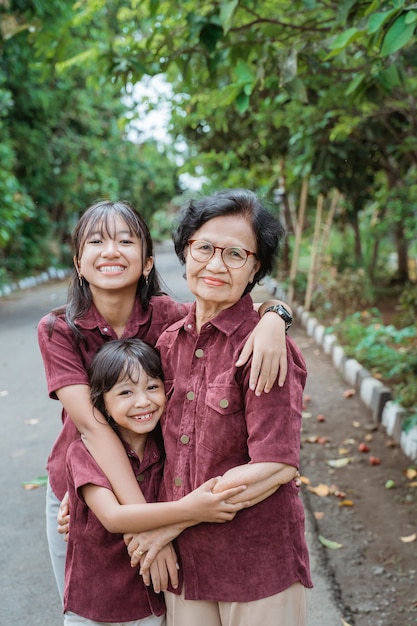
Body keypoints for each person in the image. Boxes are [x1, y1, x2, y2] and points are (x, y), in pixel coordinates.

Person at [37, 199, 293, 601]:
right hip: (87, 492)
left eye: (125, 240)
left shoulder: (168, 317)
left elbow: (225, 305)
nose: (110, 251)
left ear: (148, 262)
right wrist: (142, 521)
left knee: (155, 609)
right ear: (77, 261)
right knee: (90, 605)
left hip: (151, 487)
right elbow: (92, 425)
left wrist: (276, 317)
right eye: (96, 241)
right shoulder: (58, 329)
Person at [128, 189, 313, 626]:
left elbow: (276, 464)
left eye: (235, 254)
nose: (215, 264)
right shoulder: (168, 341)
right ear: (185, 251)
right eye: (205, 247)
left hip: (256, 563)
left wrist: (169, 524)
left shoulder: (266, 347)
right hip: (186, 567)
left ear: (256, 268)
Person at [64, 338, 248, 625]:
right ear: (101, 403)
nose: (143, 401)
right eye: (125, 392)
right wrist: (193, 509)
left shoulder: (168, 444)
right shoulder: (84, 452)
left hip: (153, 602)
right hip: (96, 607)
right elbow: (113, 517)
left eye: (152, 387)